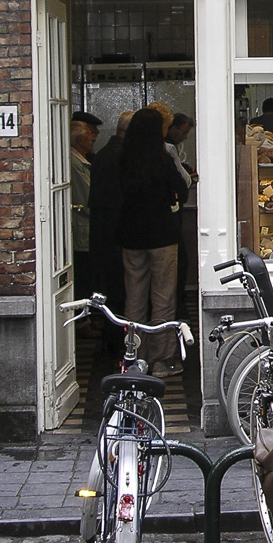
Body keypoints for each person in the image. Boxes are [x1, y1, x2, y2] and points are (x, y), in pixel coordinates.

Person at [115, 106, 189, 378]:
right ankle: (161, 360)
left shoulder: (124, 160)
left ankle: (134, 357)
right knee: (163, 298)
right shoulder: (162, 159)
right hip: (162, 235)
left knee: (134, 298)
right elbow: (182, 190)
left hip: (131, 236)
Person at [89, 110, 133, 357]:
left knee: (107, 286)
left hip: (101, 230)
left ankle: (110, 338)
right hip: (118, 231)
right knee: (120, 289)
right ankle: (119, 342)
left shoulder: (102, 155)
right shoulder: (124, 157)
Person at [165, 112, 198, 312]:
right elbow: (183, 180)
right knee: (178, 261)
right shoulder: (168, 149)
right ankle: (177, 307)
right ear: (172, 127)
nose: (185, 137)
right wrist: (189, 176)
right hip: (169, 217)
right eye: (183, 132)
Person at [70, 119, 96, 319]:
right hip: (82, 228)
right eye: (90, 135)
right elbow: (87, 197)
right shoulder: (75, 163)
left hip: (85, 228)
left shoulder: (82, 160)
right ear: (79, 139)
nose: (93, 139)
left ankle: (85, 320)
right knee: (83, 275)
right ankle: (82, 321)